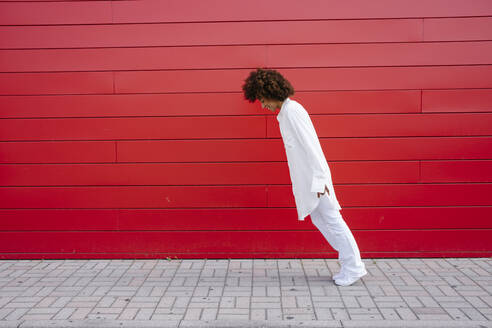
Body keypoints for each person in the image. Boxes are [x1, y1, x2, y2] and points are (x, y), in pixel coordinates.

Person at [242, 68, 367, 286]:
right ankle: (349, 265)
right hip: (310, 180)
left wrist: (320, 180)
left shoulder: (292, 112)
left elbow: (312, 147)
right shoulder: (286, 113)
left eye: (263, 100)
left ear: (271, 92)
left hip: (316, 181)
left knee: (333, 220)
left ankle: (354, 267)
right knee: (322, 220)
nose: (263, 105)